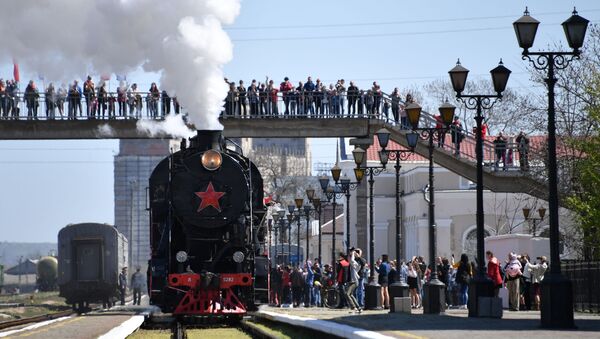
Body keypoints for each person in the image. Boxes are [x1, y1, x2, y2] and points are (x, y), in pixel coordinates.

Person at [346, 249, 362, 313]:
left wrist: (353, 253)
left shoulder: (356, 263)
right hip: (352, 281)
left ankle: (353, 307)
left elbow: (352, 260)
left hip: (354, 281)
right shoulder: (351, 263)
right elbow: (349, 260)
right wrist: (350, 254)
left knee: (347, 294)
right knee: (351, 294)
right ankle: (358, 307)